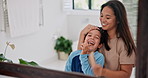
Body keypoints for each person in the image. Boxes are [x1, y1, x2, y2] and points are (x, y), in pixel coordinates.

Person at [77, 0, 136, 78]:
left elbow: (126, 74)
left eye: (107, 17)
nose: (103, 20)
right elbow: (79, 57)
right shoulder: (97, 35)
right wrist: (82, 34)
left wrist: (103, 72)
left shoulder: (124, 44)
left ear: (118, 20)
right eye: (101, 16)